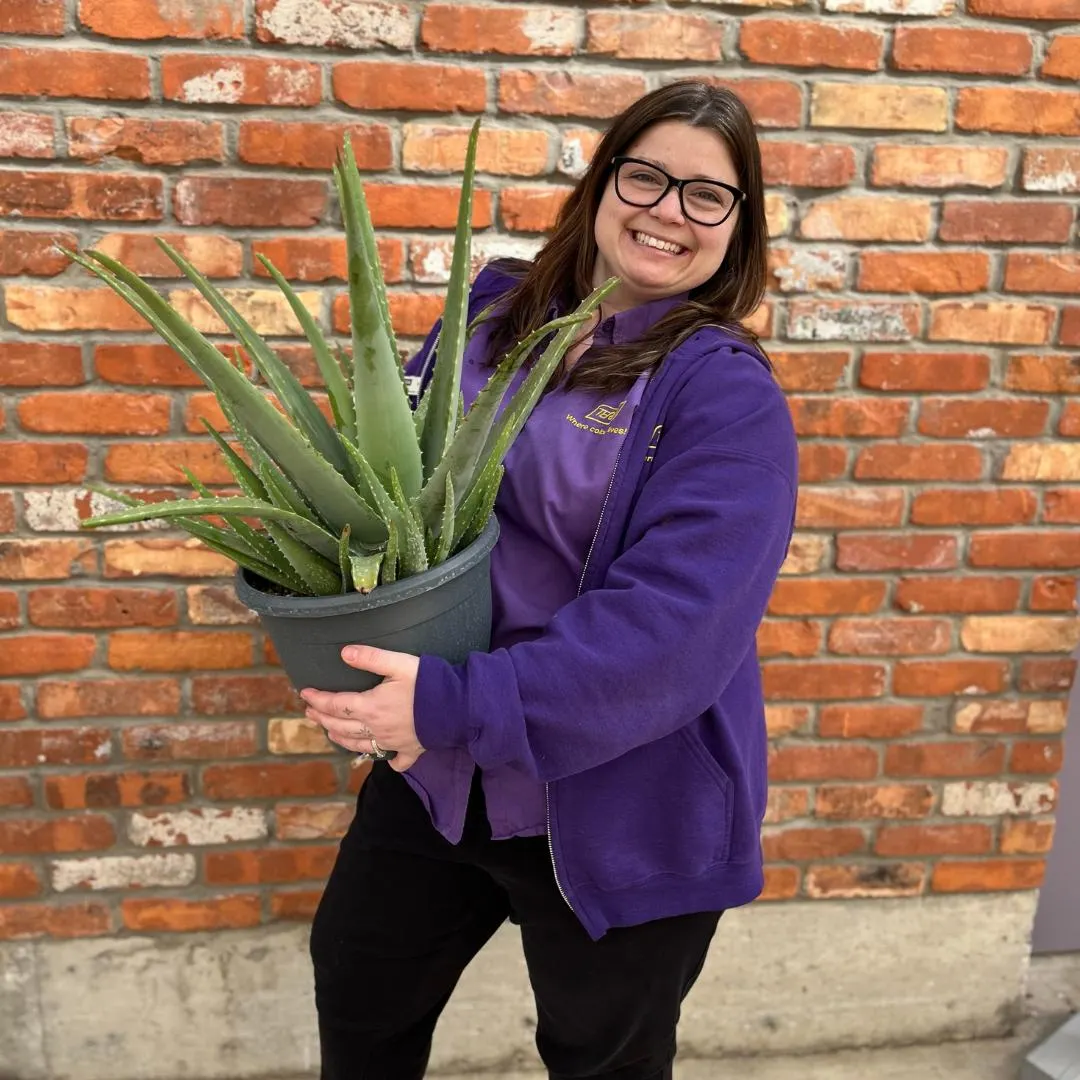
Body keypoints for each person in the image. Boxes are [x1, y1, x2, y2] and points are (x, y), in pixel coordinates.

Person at [299, 80, 799, 1080]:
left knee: (600, 1057)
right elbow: (399, 488)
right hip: (439, 770)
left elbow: (674, 634)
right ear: (603, 179)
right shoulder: (494, 311)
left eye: (708, 195)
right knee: (359, 990)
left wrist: (444, 701)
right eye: (647, 175)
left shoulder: (723, 397)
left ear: (738, 229)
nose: (668, 210)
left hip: (616, 798)